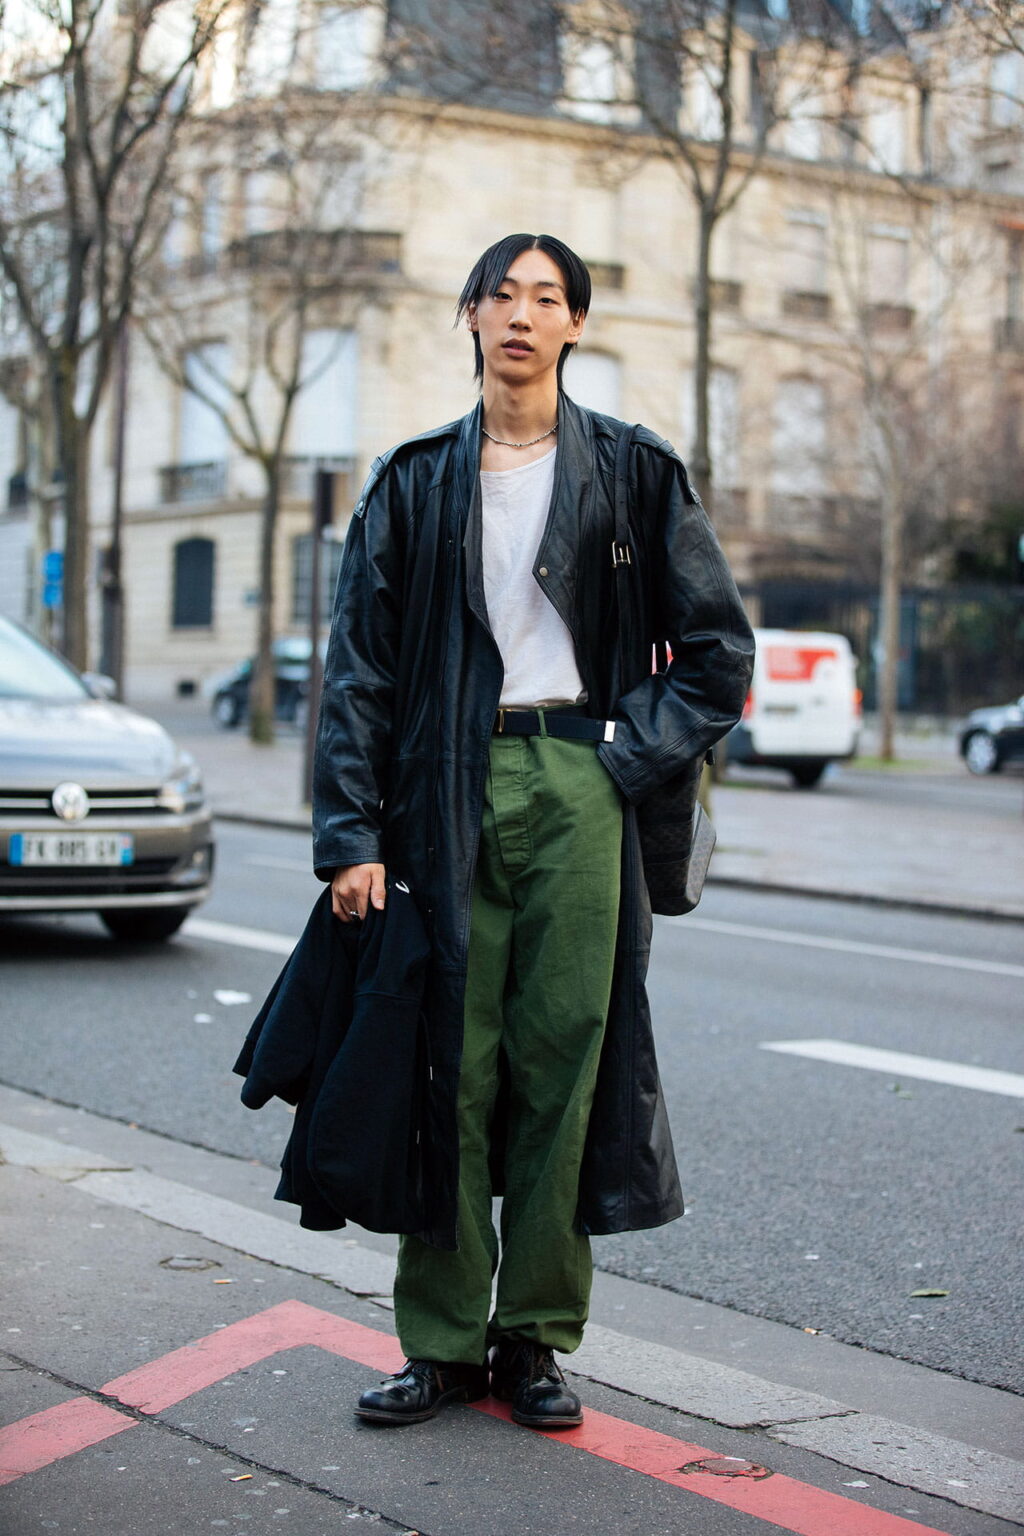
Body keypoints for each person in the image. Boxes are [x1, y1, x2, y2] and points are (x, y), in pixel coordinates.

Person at [312, 232, 754, 1429]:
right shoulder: (411, 480)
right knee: (447, 1068)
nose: (520, 313)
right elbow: (356, 673)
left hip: (581, 781)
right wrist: (350, 833)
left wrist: (625, 752)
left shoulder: (634, 472)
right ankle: (443, 1342)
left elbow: (717, 655)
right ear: (467, 316)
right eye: (500, 292)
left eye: (546, 297)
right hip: (440, 792)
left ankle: (535, 1341)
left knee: (565, 1066)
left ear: (574, 329)